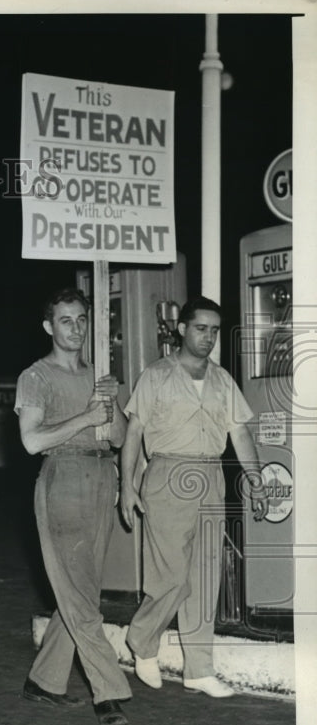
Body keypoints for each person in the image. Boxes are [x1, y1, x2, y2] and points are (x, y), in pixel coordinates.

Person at [120, 296, 268, 698]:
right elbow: (134, 432)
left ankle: (198, 670)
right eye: (201, 328)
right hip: (168, 473)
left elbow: (240, 433)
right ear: (182, 329)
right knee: (170, 578)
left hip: (211, 476)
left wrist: (255, 481)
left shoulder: (222, 380)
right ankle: (142, 640)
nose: (208, 337)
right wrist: (127, 486)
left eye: (215, 330)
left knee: (204, 578)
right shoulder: (156, 376)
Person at [14, 288, 132, 725]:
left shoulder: (98, 374)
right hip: (62, 478)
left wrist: (110, 401)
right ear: (49, 326)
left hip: (102, 477)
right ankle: (108, 691)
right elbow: (31, 442)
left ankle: (43, 681)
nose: (76, 328)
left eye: (82, 319)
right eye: (66, 320)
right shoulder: (35, 377)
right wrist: (85, 417)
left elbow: (118, 438)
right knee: (82, 595)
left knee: (80, 588)